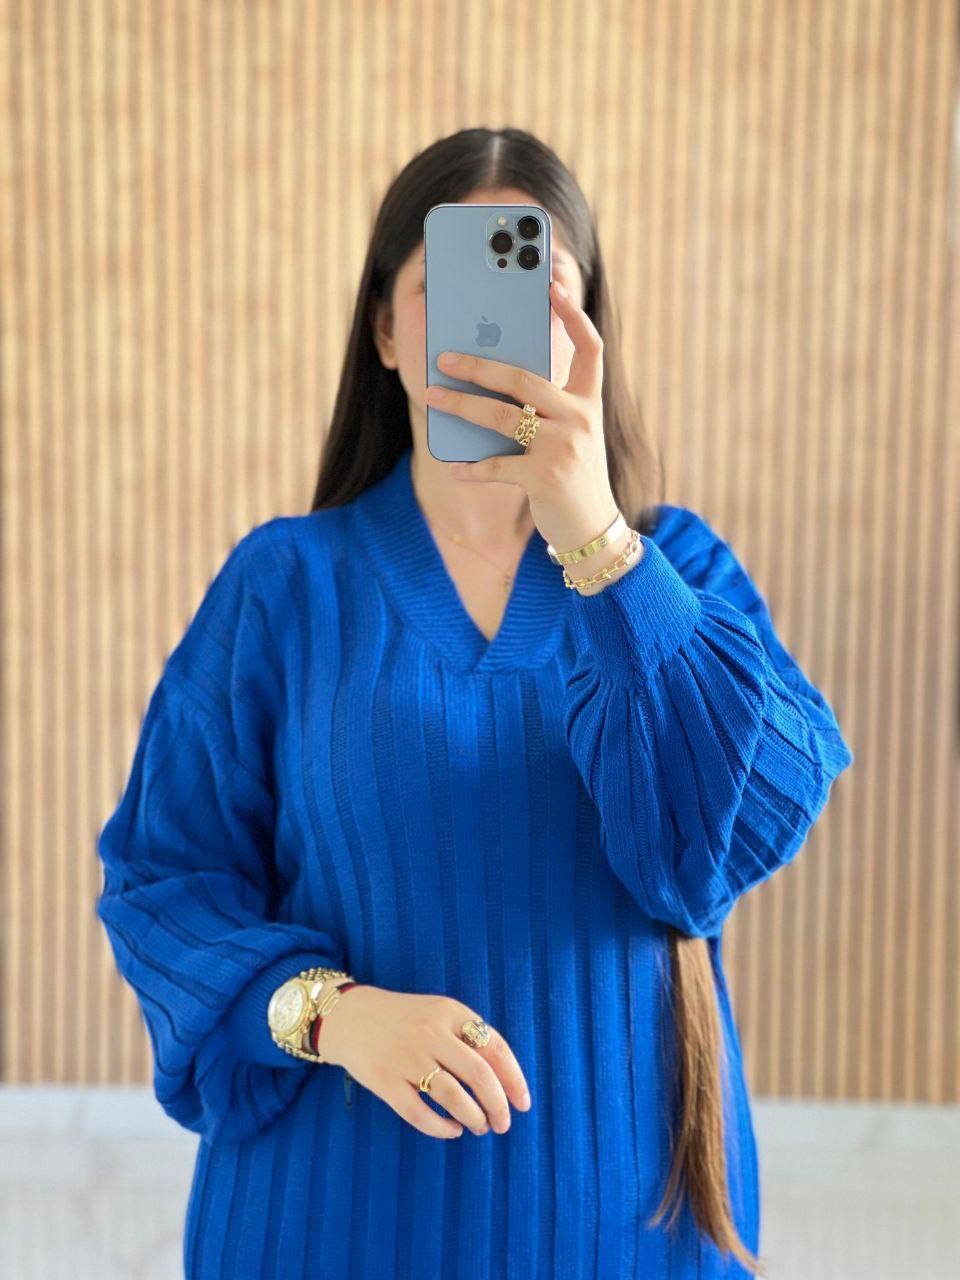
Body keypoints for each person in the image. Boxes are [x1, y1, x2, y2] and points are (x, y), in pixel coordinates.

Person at [95, 126, 853, 1279]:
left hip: (634, 1224)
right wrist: (333, 1011)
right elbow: (164, 877)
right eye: (447, 286)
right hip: (324, 1224)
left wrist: (600, 544)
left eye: (542, 287)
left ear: (586, 328)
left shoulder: (680, 571)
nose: (494, 324)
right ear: (385, 331)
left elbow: (716, 849)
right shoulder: (283, 585)